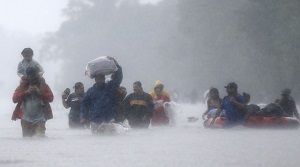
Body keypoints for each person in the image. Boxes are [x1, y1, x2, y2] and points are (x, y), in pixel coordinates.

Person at [80, 57, 122, 134]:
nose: (100, 80)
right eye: (98, 79)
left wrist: (116, 64)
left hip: (109, 119)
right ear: (95, 80)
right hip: (95, 120)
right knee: (97, 139)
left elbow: (118, 77)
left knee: (111, 139)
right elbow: (84, 105)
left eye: (101, 79)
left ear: (104, 79)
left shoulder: (110, 87)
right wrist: (83, 116)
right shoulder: (90, 91)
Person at [12, 67, 53, 137]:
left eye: (34, 75)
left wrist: (39, 93)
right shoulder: (22, 86)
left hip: (40, 118)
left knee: (40, 138)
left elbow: (51, 98)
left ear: (37, 75)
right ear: (27, 76)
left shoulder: (43, 85)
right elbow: (14, 99)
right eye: (30, 76)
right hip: (25, 118)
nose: (33, 78)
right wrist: (26, 93)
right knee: (26, 140)